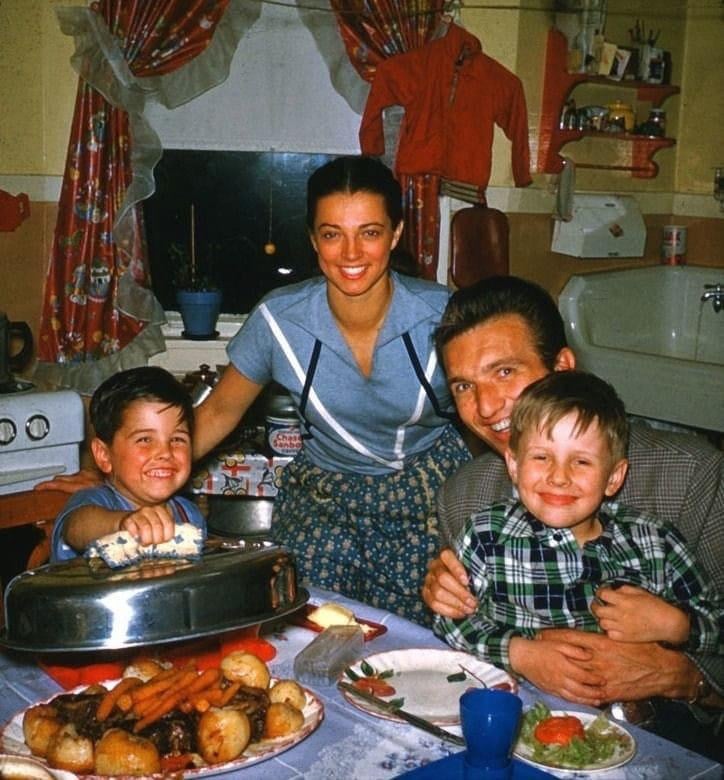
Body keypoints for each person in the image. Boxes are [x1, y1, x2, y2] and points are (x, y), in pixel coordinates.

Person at [422, 276, 723, 757]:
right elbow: (461, 645)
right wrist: (447, 602)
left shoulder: (692, 475)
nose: (485, 407)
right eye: (464, 385)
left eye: (504, 372)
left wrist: (682, 676)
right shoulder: (465, 497)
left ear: (562, 366)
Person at [434, 369, 721, 675]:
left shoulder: (655, 542)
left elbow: (717, 620)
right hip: (515, 702)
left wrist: (675, 625)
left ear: (613, 477)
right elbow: (450, 620)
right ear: (514, 465)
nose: (559, 477)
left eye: (581, 461)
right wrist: (518, 652)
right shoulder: (485, 536)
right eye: (542, 457)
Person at [51, 366, 205, 562]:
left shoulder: (190, 515)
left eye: (177, 439)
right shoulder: (94, 502)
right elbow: (76, 528)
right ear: (104, 455)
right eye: (145, 440)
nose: (165, 452)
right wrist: (122, 524)